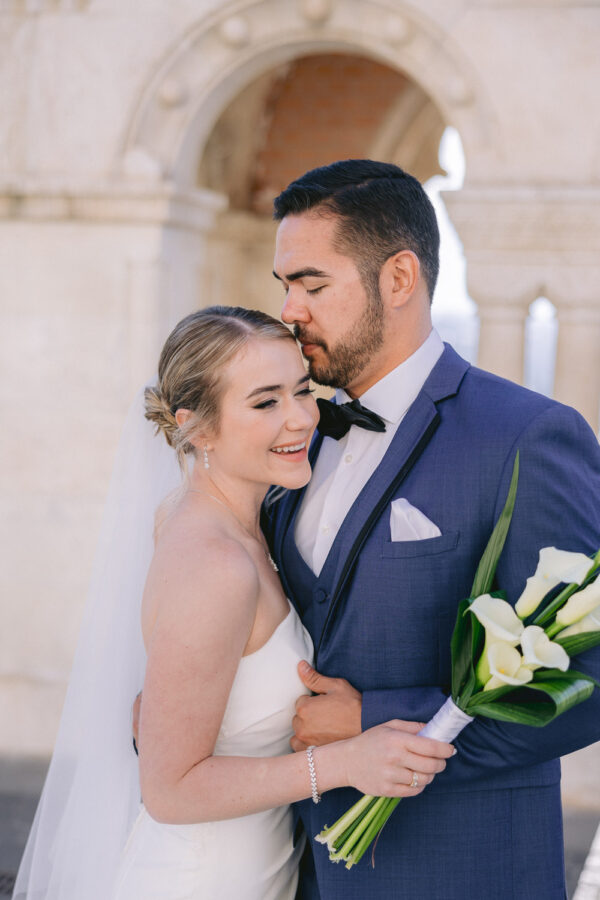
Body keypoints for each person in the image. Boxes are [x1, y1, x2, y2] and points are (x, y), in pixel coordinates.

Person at [13, 305, 454, 900]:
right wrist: (346, 763)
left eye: (302, 390)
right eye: (265, 402)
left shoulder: (211, 518)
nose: (302, 419)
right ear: (197, 428)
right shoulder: (215, 563)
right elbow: (170, 790)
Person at [264, 159, 600, 900]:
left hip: (460, 872)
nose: (290, 310)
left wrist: (375, 721)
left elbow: (585, 682)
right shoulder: (294, 436)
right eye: (284, 284)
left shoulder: (528, 436)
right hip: (290, 868)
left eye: (313, 285)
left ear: (400, 277)